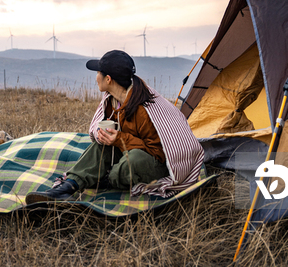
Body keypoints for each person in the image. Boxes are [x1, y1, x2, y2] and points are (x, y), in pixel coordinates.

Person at [26, 50, 204, 203]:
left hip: (156, 163)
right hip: (129, 150)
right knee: (99, 147)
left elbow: (158, 152)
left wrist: (120, 139)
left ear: (108, 79)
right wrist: (107, 137)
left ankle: (108, 179)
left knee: (132, 161)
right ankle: (67, 187)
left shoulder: (145, 110)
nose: (96, 78)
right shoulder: (111, 100)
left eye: (98, 73)